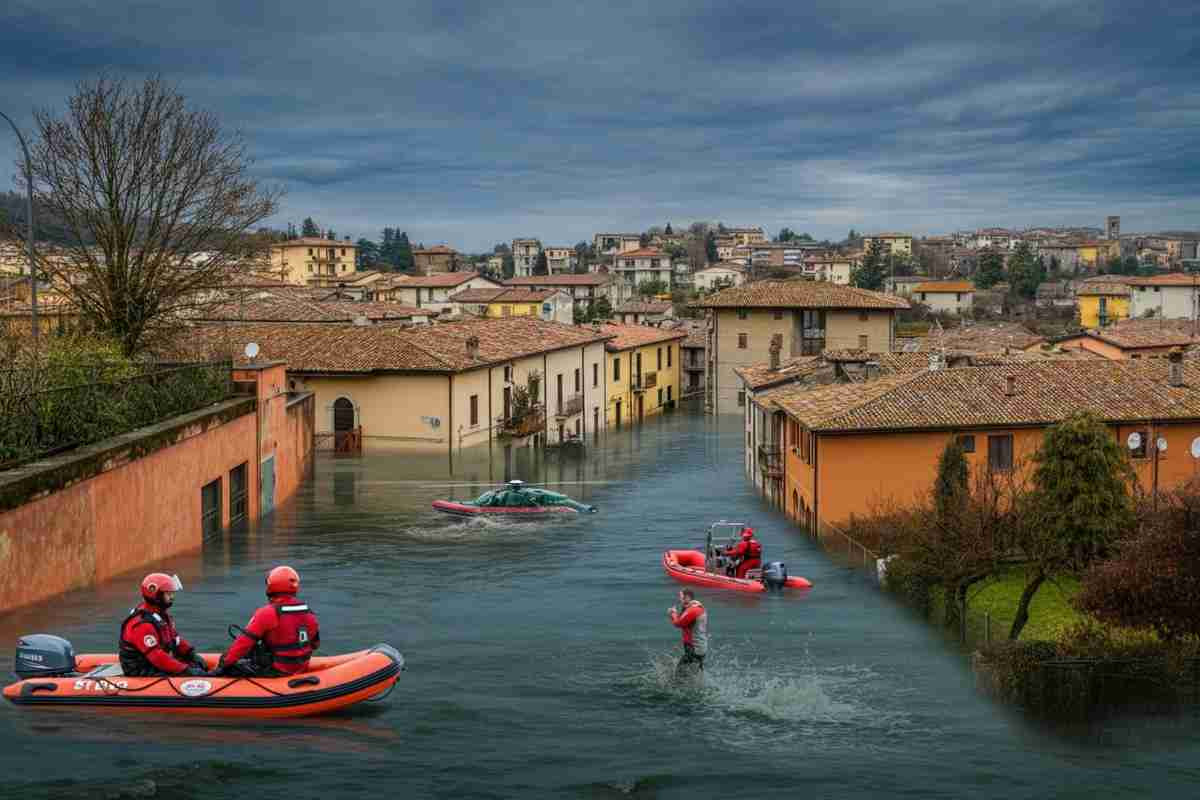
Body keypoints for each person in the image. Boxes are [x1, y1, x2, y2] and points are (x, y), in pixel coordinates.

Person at [216, 566, 320, 677]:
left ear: (271, 585)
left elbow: (243, 643)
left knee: (226, 660)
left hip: (276, 671)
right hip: (301, 668)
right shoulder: (309, 613)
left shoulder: (267, 613)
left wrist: (223, 666)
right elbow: (315, 644)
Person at [118, 572, 208, 677]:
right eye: (168, 594)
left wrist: (191, 654)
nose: (172, 597)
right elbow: (156, 656)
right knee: (187, 673)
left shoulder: (160, 615)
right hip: (141, 669)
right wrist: (185, 670)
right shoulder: (142, 625)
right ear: (156, 595)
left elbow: (175, 639)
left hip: (152, 663)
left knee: (196, 666)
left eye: (172, 593)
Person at [668, 588, 708, 677]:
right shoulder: (696, 608)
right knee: (696, 673)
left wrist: (672, 614)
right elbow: (684, 621)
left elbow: (678, 623)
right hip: (699, 646)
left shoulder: (693, 610)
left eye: (681, 597)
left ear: (687, 598)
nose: (679, 599)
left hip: (694, 648)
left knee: (678, 673)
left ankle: (676, 687)